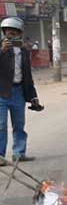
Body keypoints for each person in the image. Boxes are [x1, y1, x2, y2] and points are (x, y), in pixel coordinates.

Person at [0, 17, 40, 164]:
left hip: (18, 93)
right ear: (3, 33)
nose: (10, 36)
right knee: (1, 126)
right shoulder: (1, 48)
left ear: (20, 34)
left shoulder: (23, 51)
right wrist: (2, 50)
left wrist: (33, 96)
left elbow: (27, 75)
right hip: (1, 93)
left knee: (19, 125)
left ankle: (19, 153)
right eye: (8, 33)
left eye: (14, 33)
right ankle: (0, 156)